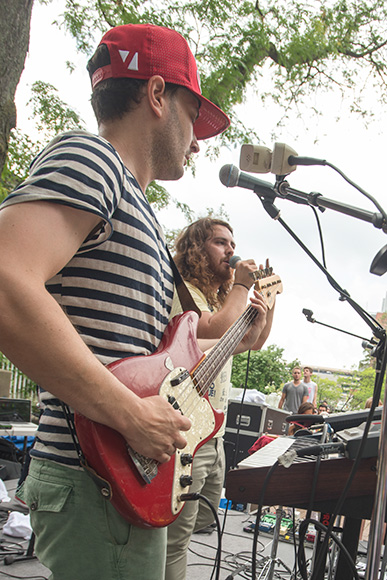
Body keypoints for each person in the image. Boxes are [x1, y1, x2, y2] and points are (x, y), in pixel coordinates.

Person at [0, 24, 268, 580]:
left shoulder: (136, 208)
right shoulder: (92, 159)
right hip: (93, 475)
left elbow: (168, 355)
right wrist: (130, 413)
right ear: (155, 95)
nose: (198, 140)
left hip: (123, 482)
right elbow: (5, 279)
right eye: (193, 115)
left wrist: (247, 320)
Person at [165, 218, 275, 580]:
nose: (230, 250)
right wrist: (241, 286)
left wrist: (268, 302)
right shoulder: (184, 292)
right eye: (219, 243)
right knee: (174, 538)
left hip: (214, 431)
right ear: (196, 249)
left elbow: (251, 341)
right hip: (188, 429)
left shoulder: (218, 299)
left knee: (197, 525)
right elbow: (213, 331)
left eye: (233, 242)